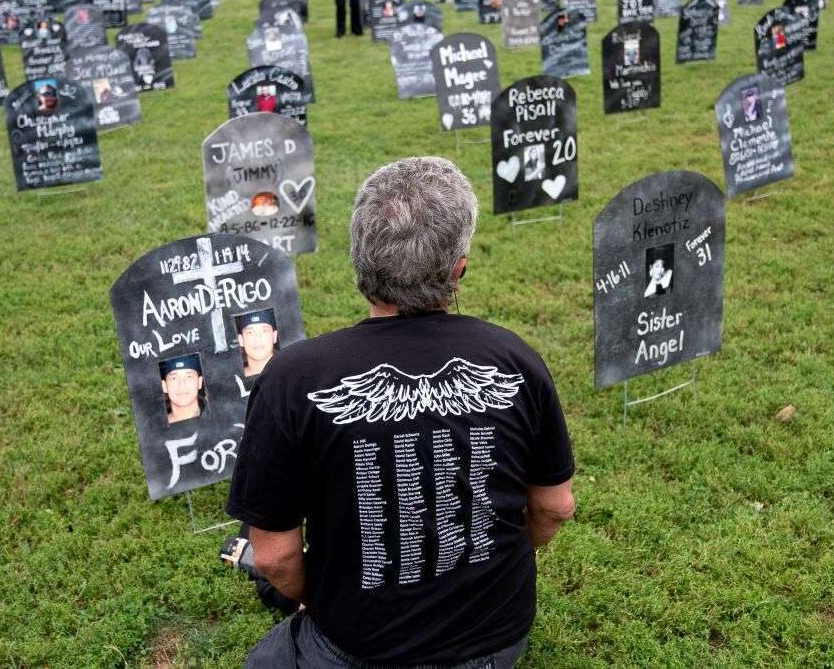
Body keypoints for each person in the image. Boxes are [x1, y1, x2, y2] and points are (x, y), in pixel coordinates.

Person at [226, 157, 575, 668]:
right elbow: (554, 507)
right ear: (459, 269)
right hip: (497, 641)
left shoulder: (293, 378)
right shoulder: (516, 360)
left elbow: (275, 557)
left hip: (357, 650)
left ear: (360, 266)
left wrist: (317, 600)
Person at [160, 354, 204, 424]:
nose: (182, 384)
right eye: (174, 378)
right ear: (164, 386)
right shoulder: (155, 427)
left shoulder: (219, 415)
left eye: (189, 376)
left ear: (200, 382)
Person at [236, 308, 279, 376]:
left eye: (264, 331)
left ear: (274, 336)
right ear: (241, 340)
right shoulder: (231, 381)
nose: (258, 337)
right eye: (250, 332)